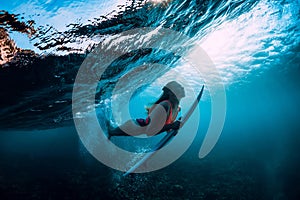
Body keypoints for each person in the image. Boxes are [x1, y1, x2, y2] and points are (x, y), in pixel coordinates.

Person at [107, 81, 185, 139]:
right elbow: (149, 132)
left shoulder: (177, 108)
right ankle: (110, 127)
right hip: (134, 127)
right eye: (179, 87)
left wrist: (173, 129)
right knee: (111, 132)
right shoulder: (164, 106)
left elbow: (165, 124)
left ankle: (111, 126)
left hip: (138, 127)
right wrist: (172, 126)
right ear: (171, 92)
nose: (182, 88)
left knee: (112, 132)